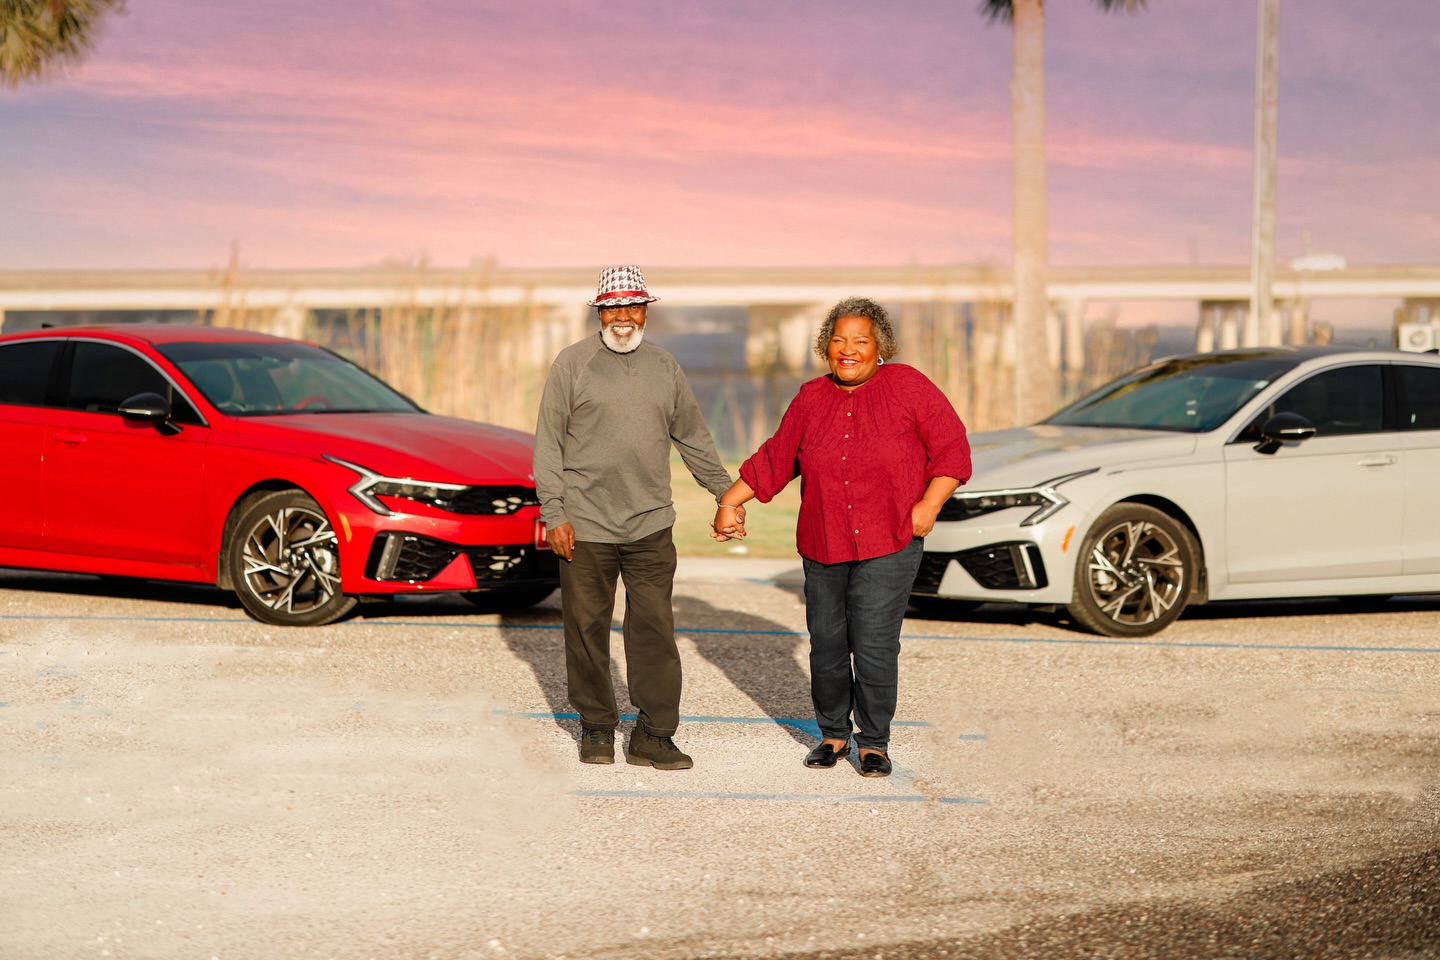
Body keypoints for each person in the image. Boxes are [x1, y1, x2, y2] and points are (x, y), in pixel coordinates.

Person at [711, 296, 970, 777]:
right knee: (827, 644)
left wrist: (929, 505)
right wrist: (730, 502)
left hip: (890, 538)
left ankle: (873, 742)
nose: (847, 350)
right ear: (825, 347)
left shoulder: (909, 386)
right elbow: (777, 457)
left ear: (881, 348)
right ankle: (832, 734)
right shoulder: (811, 396)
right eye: (838, 341)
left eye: (860, 341)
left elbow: (953, 449)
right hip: (823, 538)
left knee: (872, 644)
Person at [533, 265, 736, 770]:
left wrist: (724, 493)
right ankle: (597, 726)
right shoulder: (572, 364)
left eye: (632, 306)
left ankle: (654, 734)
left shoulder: (665, 366)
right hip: (585, 525)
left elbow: (691, 435)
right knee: (586, 630)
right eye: (612, 308)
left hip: (650, 526)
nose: (622, 316)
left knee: (654, 631)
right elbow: (548, 443)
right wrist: (554, 512)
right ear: (600, 312)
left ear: (646, 310)